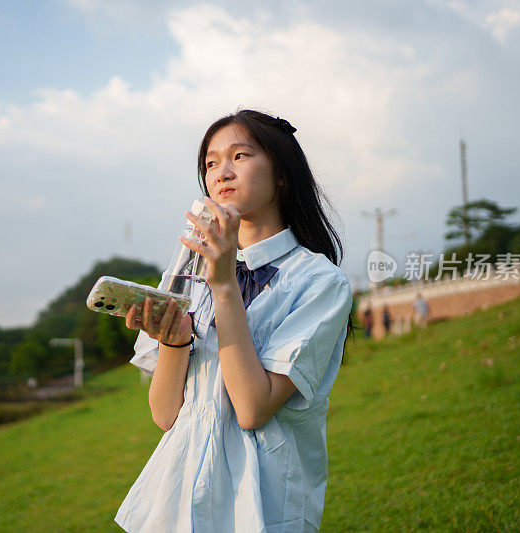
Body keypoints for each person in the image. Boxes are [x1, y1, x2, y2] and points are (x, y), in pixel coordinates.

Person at [114, 110, 353, 532]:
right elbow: (165, 414)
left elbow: (252, 408)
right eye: (210, 163)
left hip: (260, 502)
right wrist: (174, 342)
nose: (222, 172)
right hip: (179, 498)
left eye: (240, 156)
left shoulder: (319, 282)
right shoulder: (188, 269)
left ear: (281, 173)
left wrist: (223, 284)